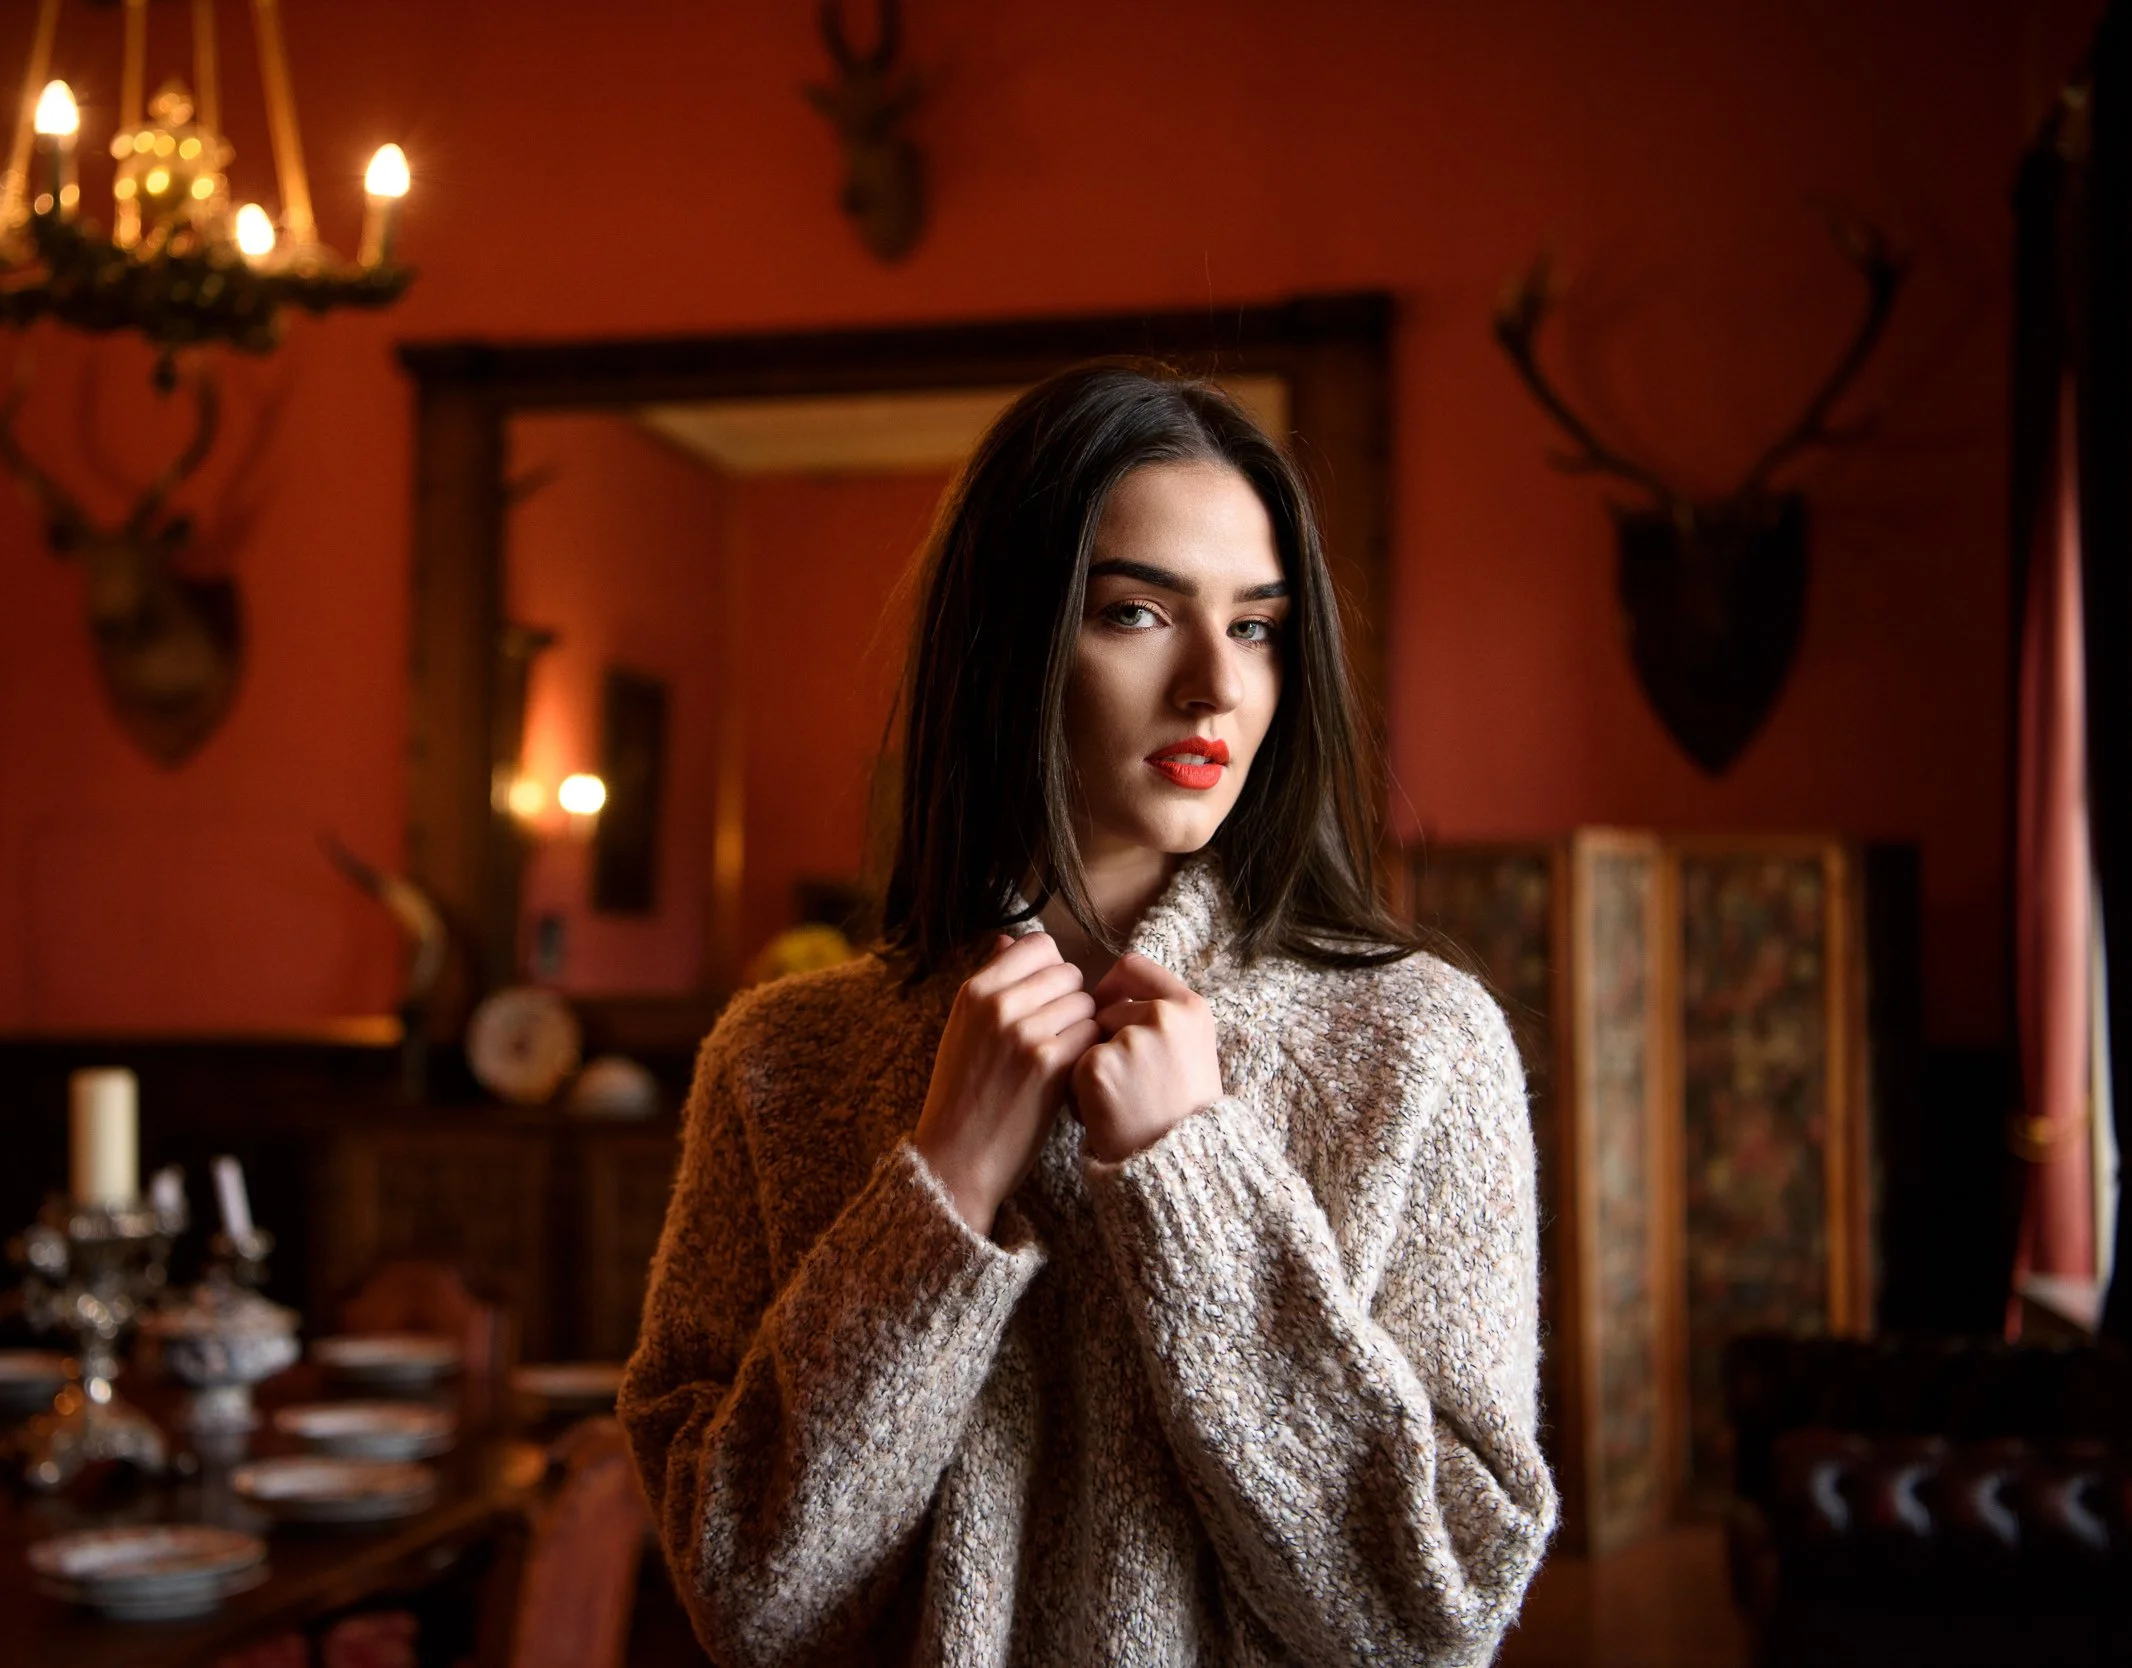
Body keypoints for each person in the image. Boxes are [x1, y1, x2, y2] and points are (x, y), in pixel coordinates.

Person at [617, 362, 1557, 1666]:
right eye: (1135, 613)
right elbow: (747, 1599)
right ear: (1011, 642)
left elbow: (1432, 1614)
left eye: (1257, 627)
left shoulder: (1419, 1047)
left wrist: (1194, 1185)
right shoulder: (783, 1061)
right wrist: (940, 1189)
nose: (1213, 691)